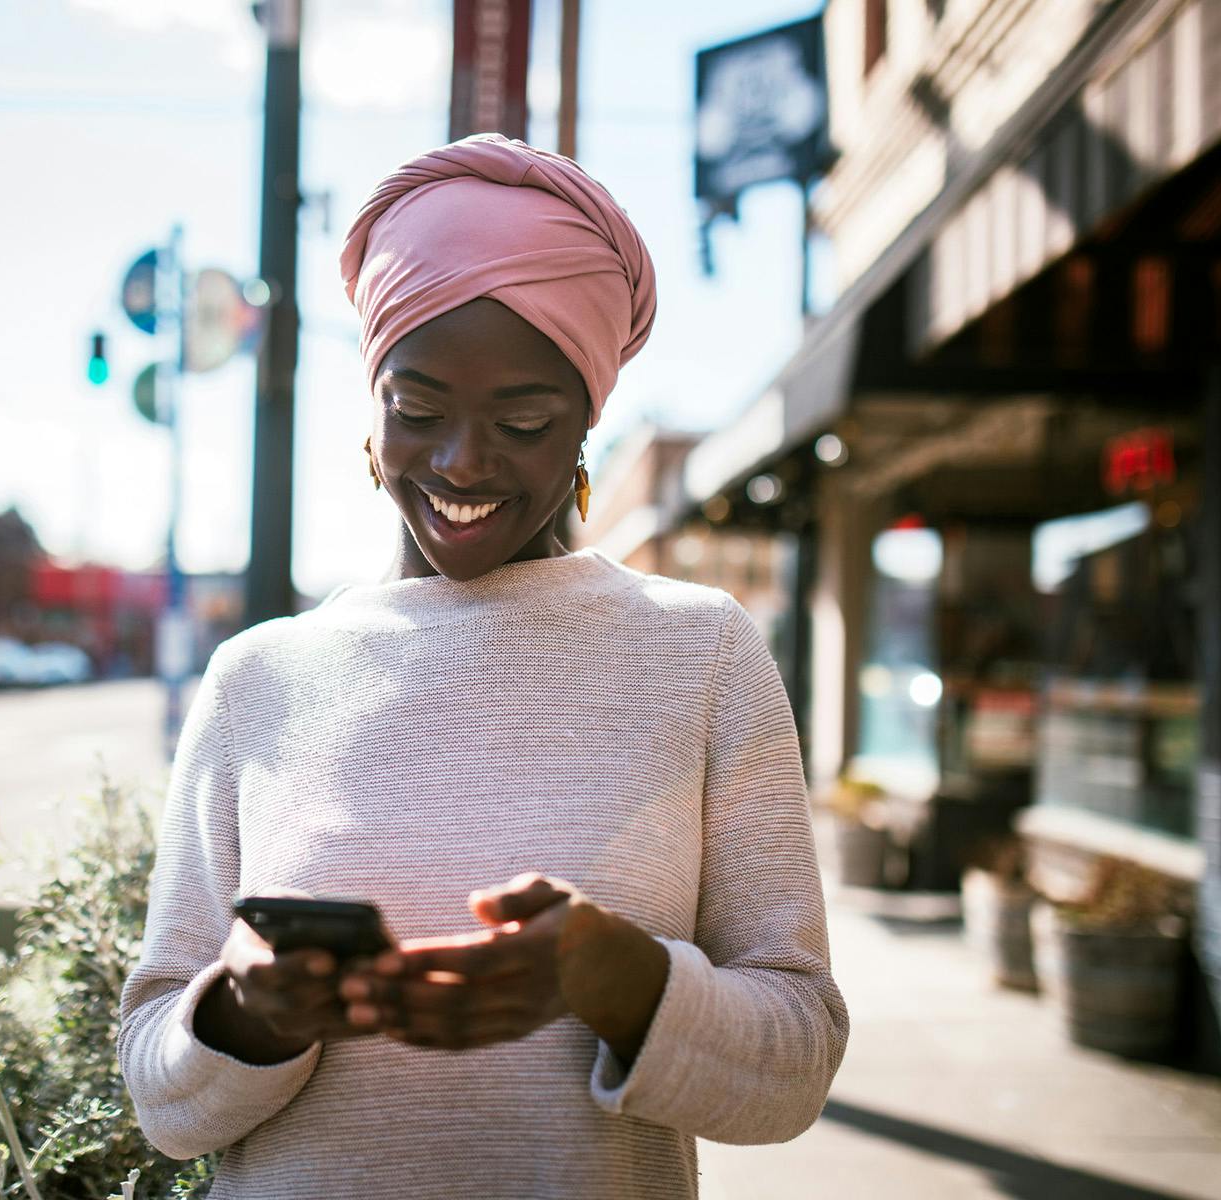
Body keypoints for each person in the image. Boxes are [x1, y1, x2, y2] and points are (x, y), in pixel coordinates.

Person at [117, 134, 847, 1198]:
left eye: (523, 420)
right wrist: (249, 1015)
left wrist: (617, 978)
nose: (462, 461)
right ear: (371, 413)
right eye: (417, 413)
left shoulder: (699, 654)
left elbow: (795, 1068)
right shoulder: (259, 680)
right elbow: (160, 1099)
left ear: (588, 421)